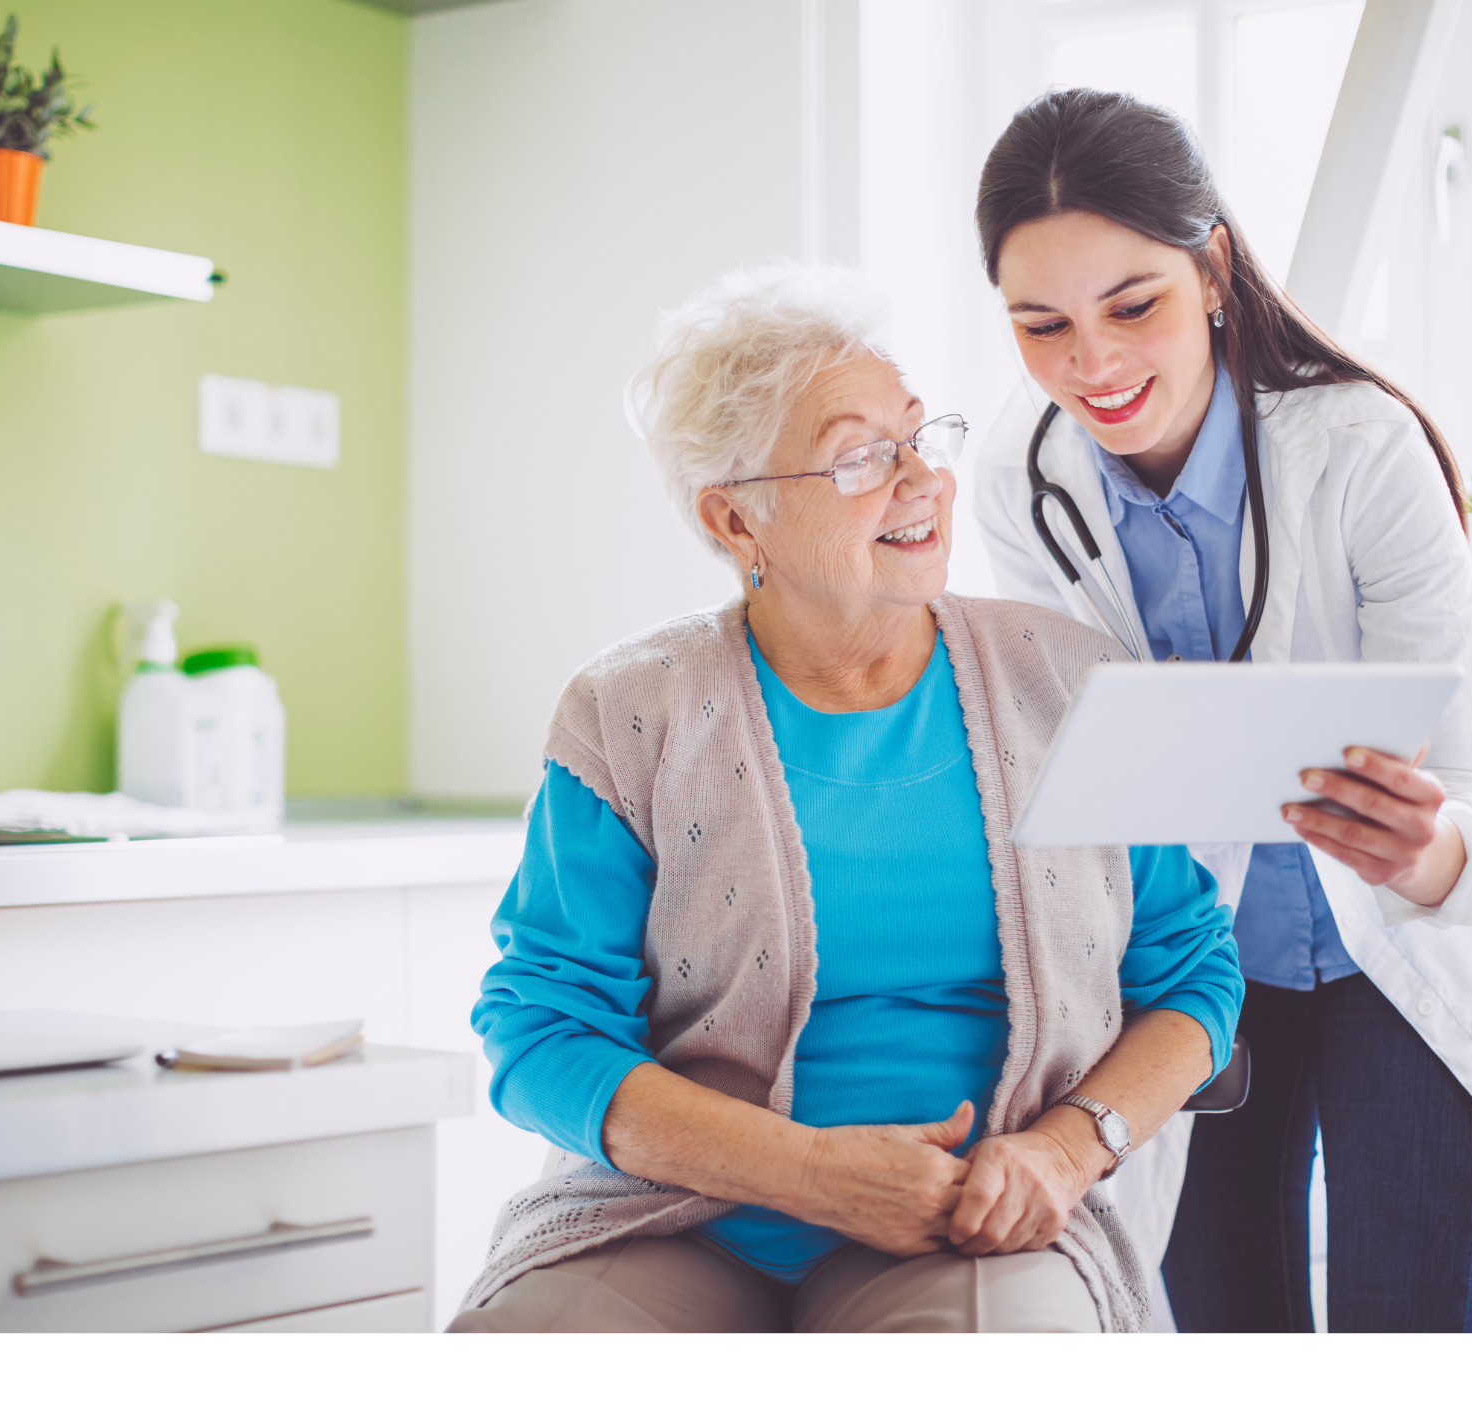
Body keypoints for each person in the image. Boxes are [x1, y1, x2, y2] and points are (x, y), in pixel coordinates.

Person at [449, 265, 1242, 1334]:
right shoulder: (629, 711)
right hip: (672, 1221)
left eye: (918, 436)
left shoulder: (1069, 683)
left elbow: (1191, 974)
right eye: (859, 456)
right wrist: (805, 1172)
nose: (917, 478)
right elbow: (538, 1025)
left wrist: (1064, 1148)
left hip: (968, 1226)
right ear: (736, 523)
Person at [970, 89, 1472, 1334]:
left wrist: (1426, 852)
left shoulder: (1360, 450)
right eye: (1038, 325)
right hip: (1190, 981)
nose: (1091, 367)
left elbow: (1470, 777)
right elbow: (1084, 755)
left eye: (1133, 305)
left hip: (1400, 966)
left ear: (1211, 268)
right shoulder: (1023, 478)